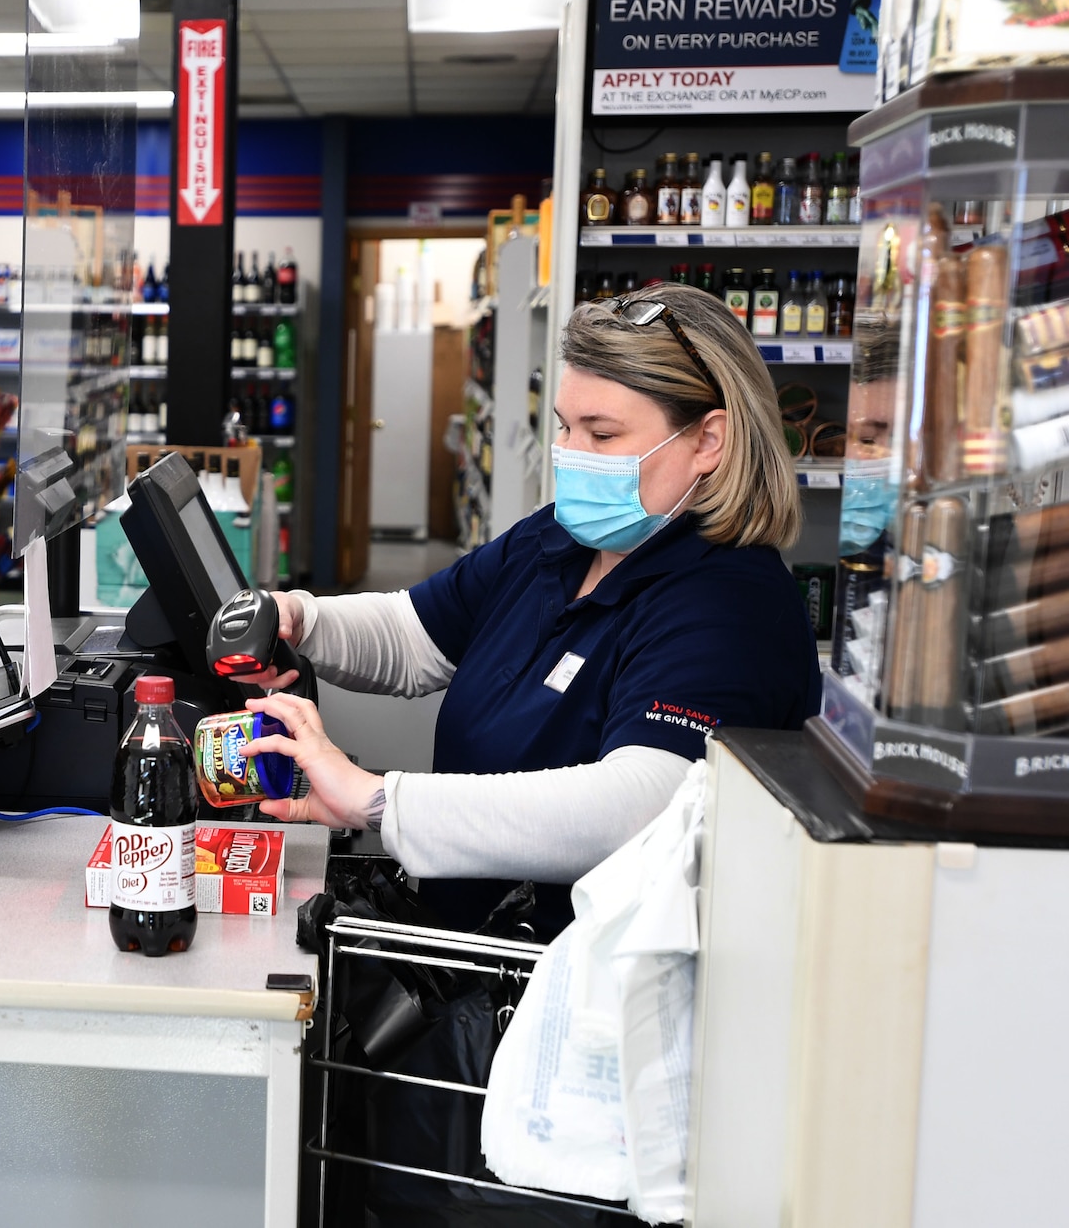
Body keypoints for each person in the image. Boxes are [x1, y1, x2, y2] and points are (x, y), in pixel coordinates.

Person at [243, 283, 821, 932]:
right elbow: (413, 634)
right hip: (469, 966)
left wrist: (378, 800)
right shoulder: (560, 540)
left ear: (708, 440)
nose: (572, 455)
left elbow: (643, 804)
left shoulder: (731, 603)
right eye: (566, 427)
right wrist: (300, 615)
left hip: (589, 998)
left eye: (602, 433)